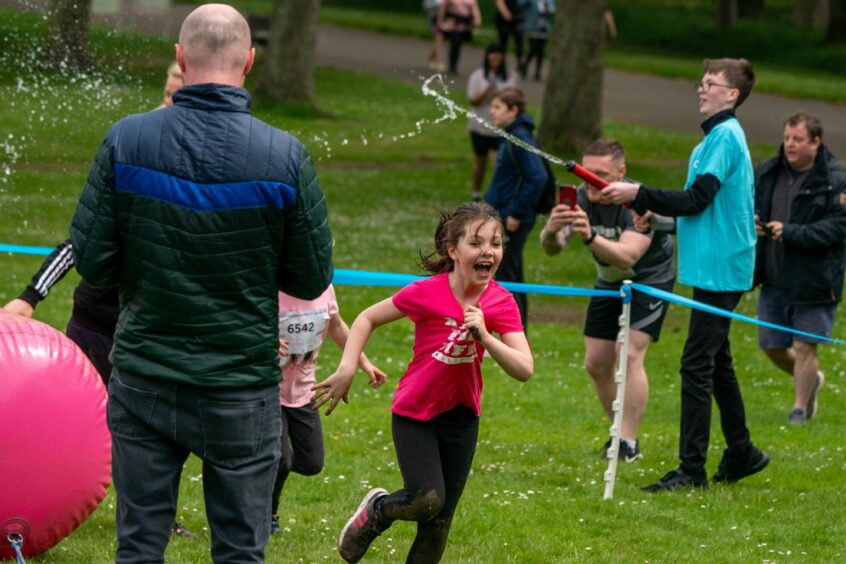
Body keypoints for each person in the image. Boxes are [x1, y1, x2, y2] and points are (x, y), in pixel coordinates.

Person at [69, 4, 333, 561]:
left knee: (139, 546)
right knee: (240, 550)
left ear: (181, 58)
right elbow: (309, 277)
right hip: (237, 385)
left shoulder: (126, 141)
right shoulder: (285, 156)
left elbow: (93, 261)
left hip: (146, 374)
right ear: (250, 62)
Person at [313, 202, 532, 563]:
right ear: (453, 250)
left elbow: (524, 368)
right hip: (415, 414)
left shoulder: (501, 302)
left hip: (462, 417)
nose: (488, 251)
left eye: (495, 243)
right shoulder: (426, 293)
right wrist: (348, 367)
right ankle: (378, 510)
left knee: (438, 526)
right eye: (476, 243)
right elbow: (367, 318)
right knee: (426, 500)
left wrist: (487, 339)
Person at [602, 58, 769, 491]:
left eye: (710, 84)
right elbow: (705, 210)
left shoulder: (725, 137)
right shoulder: (712, 141)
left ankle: (691, 471)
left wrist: (638, 192)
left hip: (724, 269)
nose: (701, 89)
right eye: (701, 82)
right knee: (717, 364)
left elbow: (697, 198)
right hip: (714, 266)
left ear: (731, 95)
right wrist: (657, 219)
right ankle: (742, 451)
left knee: (696, 364)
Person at [539, 139, 675, 463]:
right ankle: (618, 432)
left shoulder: (638, 202)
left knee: (628, 353)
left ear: (621, 172)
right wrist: (550, 230)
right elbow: (553, 248)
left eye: (601, 174)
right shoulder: (582, 197)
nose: (591, 181)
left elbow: (628, 256)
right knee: (596, 363)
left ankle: (627, 442)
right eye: (587, 173)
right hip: (609, 281)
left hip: (648, 278)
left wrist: (589, 236)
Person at [753, 112, 846, 425]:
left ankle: (799, 408)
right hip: (774, 274)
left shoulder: (835, 180)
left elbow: (838, 227)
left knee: (805, 344)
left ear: (815, 143)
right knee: (772, 345)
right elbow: (750, 205)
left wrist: (791, 232)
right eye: (787, 138)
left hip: (815, 278)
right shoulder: (769, 171)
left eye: (798, 139)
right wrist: (754, 222)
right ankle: (811, 381)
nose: (789, 145)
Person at [270, 286, 386, 534]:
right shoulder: (270, 284)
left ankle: (258, 466)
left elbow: (336, 326)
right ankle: (268, 513)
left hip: (305, 391)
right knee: (279, 460)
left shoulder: (323, 288)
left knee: (311, 462)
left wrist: (363, 363)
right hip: (268, 390)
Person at [484, 87, 548, 330]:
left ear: (514, 110)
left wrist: (516, 213)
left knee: (508, 278)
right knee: (511, 274)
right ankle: (518, 332)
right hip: (503, 213)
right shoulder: (511, 135)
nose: (492, 111)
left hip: (512, 217)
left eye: (497, 107)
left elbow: (537, 177)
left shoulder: (520, 136)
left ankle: (515, 335)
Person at [466, 43, 517, 202]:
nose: (495, 57)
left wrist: (499, 96)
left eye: (499, 54)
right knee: (480, 161)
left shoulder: (510, 77)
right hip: (479, 127)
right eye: (492, 54)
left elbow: (514, 100)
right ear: (487, 56)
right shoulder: (477, 76)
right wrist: (486, 93)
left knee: (498, 163)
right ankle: (476, 193)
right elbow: (472, 101)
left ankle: (497, 194)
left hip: (499, 129)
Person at [437, 0, 481, 75]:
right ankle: (451, 66)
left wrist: (477, 19)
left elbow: (475, 10)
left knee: (457, 46)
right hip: (451, 25)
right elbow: (443, 8)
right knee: (454, 43)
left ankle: (453, 66)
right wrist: (440, 22)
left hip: (463, 26)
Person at [520, 0, 556, 81]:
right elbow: (521, 5)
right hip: (532, 27)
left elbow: (553, 10)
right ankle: (525, 64)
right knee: (534, 48)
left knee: (541, 51)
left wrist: (547, 6)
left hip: (544, 28)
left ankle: (537, 72)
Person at [494, 0, 525, 74]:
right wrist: (505, 13)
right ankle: (501, 64)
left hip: (516, 19)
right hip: (504, 20)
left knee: (519, 44)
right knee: (503, 44)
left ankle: (520, 64)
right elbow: (499, 2)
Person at [423, 0, 445, 72]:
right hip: (435, 18)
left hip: (448, 18)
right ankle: (439, 62)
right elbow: (426, 6)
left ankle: (431, 56)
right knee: (439, 38)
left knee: (439, 40)